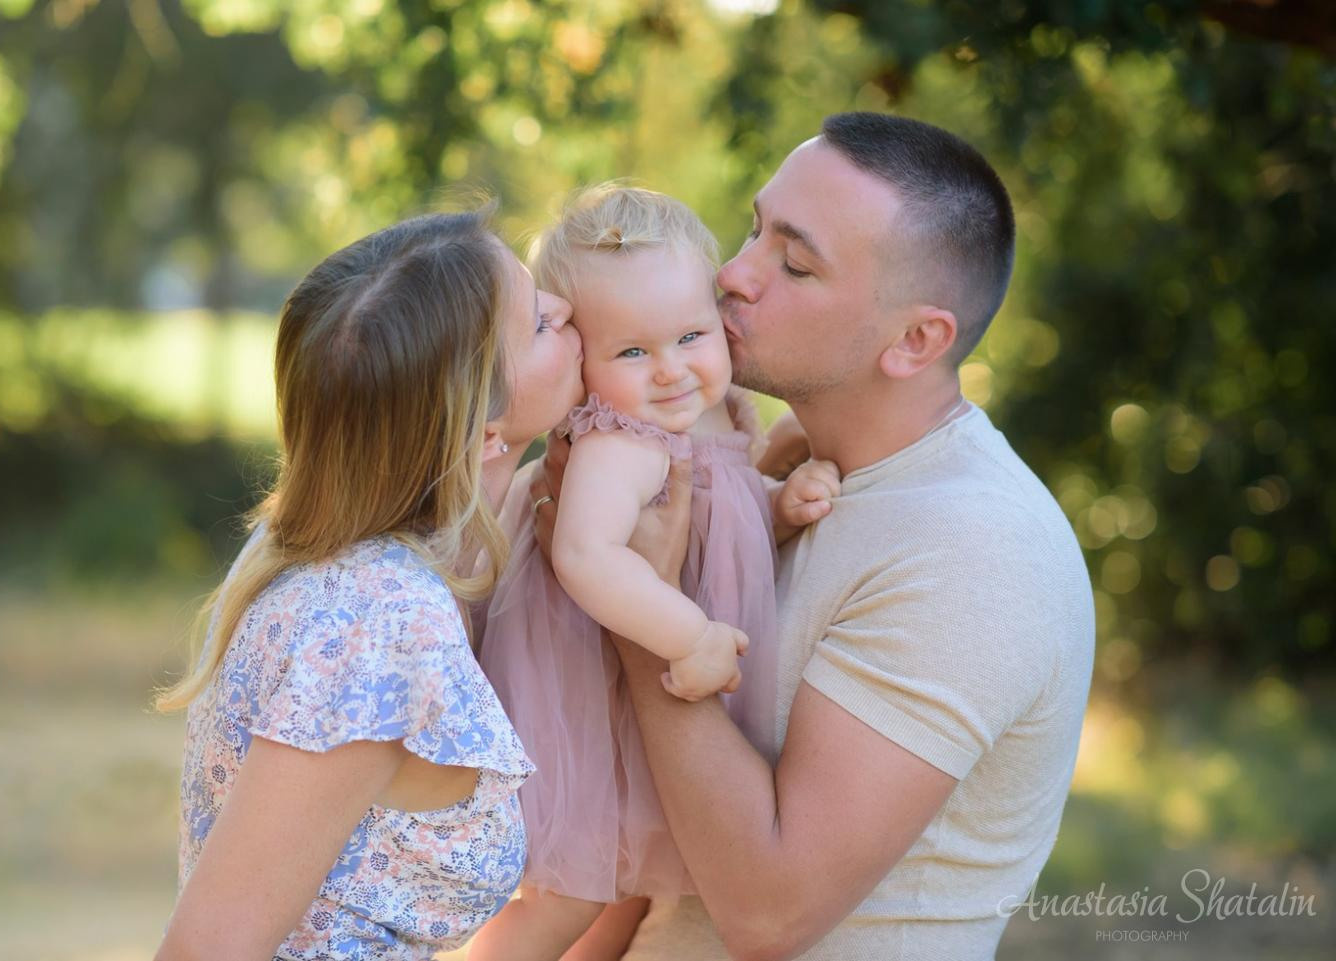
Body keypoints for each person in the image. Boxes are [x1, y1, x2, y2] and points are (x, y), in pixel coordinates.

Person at [531, 112, 1096, 960]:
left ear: (916, 340)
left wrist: (644, 613)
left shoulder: (975, 551)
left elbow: (769, 912)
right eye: (755, 230)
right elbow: (649, 841)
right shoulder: (760, 470)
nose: (732, 275)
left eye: (793, 262)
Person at [151, 209, 586, 961]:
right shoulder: (375, 621)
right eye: (542, 324)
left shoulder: (332, 552)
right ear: (483, 433)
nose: (569, 309)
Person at [470, 185, 840, 961]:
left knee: (619, 882)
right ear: (582, 359)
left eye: (690, 335)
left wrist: (777, 503)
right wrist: (690, 633)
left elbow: (715, 519)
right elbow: (587, 554)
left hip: (632, 694)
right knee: (568, 890)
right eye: (632, 351)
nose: (670, 370)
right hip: (588, 689)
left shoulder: (716, 413)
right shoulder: (620, 443)